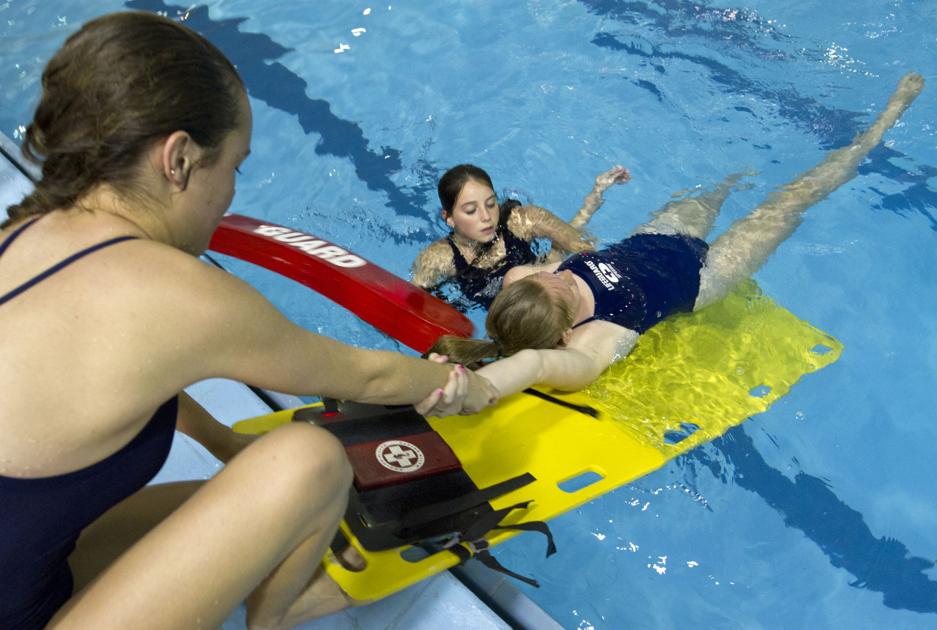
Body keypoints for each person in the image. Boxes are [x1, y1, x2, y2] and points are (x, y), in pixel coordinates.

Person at [0, 12, 495, 630]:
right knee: (310, 466)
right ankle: (278, 618)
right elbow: (365, 378)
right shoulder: (178, 293)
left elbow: (118, 377)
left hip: (34, 569)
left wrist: (226, 443)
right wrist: (466, 385)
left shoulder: (24, 234)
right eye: (234, 166)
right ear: (178, 159)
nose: (232, 193)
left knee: (237, 505)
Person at [427, 72, 924, 410]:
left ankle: (753, 163)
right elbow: (534, 364)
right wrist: (473, 390)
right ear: (564, 333)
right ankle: (878, 129)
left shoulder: (525, 280)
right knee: (791, 201)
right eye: (563, 289)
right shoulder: (593, 344)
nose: (558, 276)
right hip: (706, 276)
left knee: (725, 183)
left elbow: (552, 266)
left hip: (656, 239)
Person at [411, 162, 631, 309]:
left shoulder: (523, 220)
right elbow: (414, 302)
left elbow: (583, 249)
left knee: (559, 251)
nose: (486, 217)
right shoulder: (439, 258)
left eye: (491, 204)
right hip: (511, 323)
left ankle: (596, 194)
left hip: (548, 289)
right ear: (448, 217)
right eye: (471, 211)